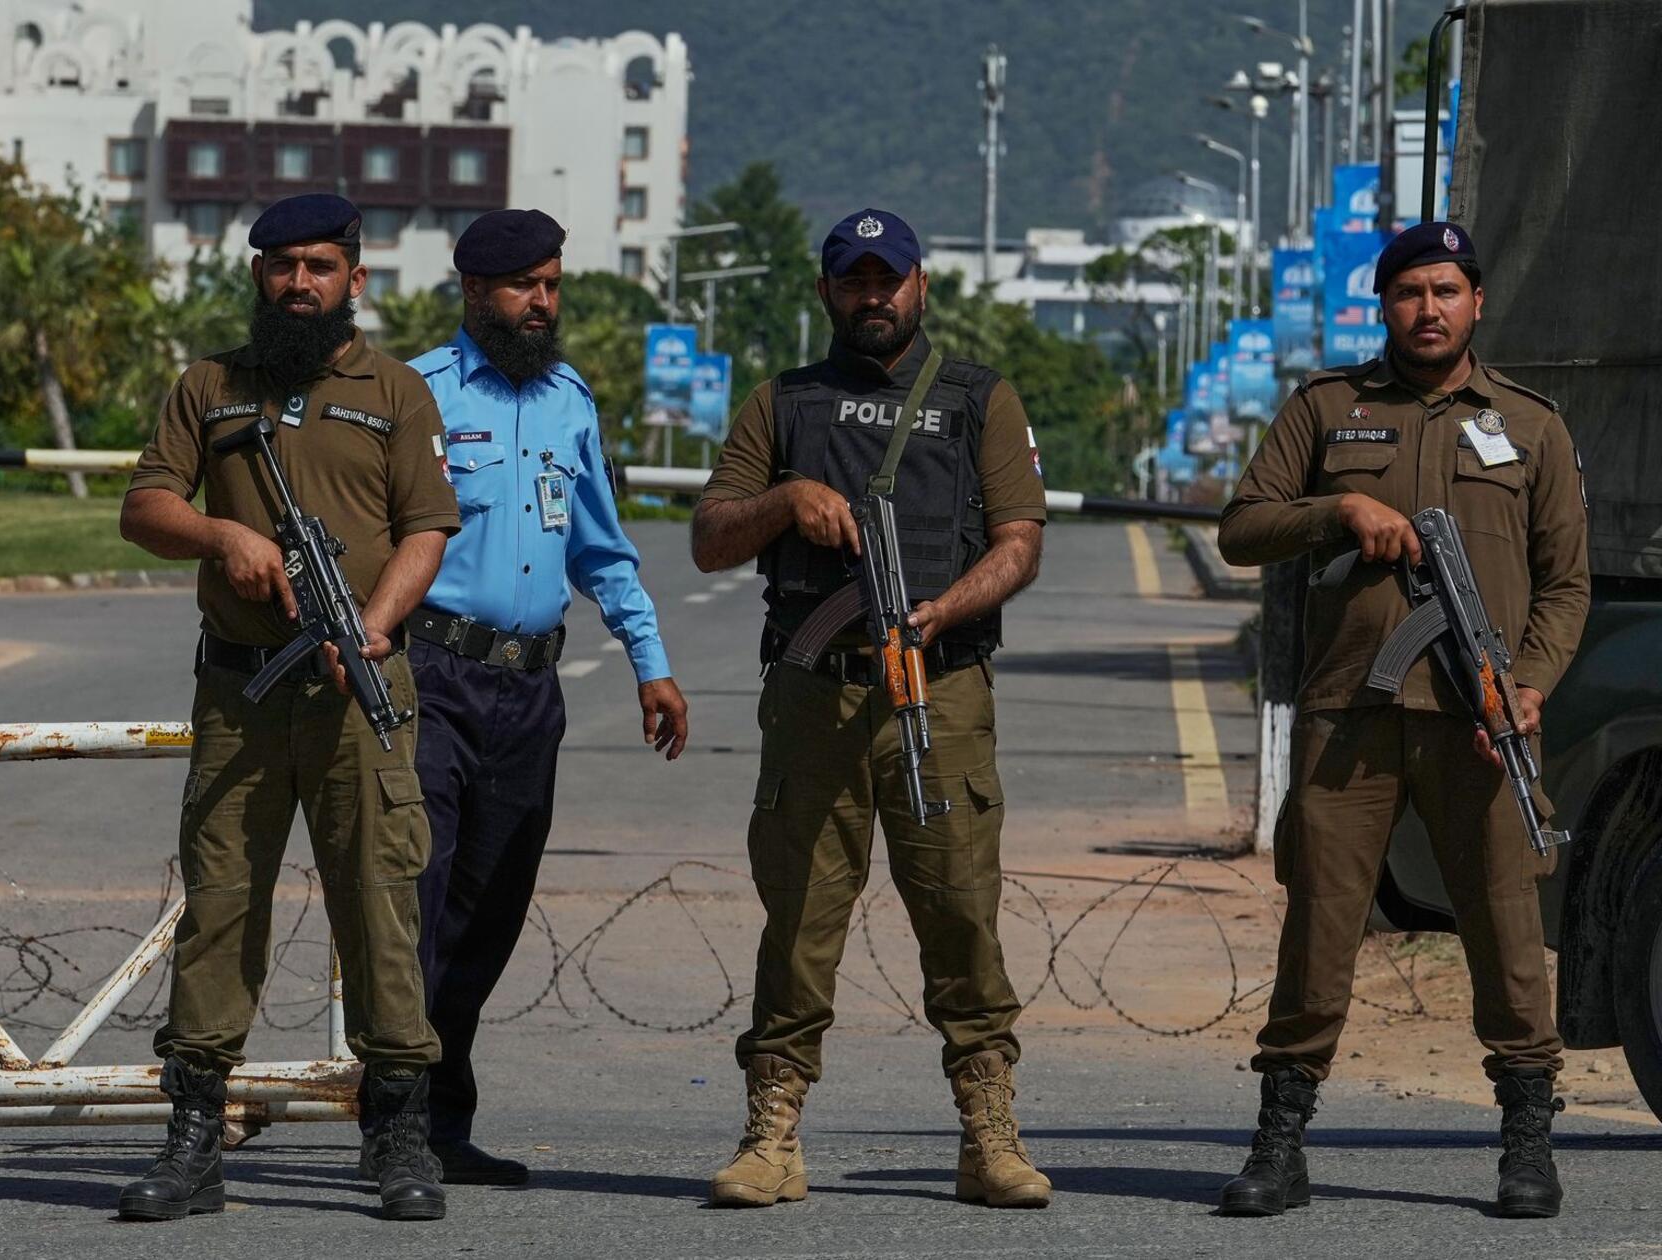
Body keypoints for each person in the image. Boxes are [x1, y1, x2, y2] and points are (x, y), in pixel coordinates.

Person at [1214, 221, 1588, 1219]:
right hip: (1351, 714)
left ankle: (1524, 1144)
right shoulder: (1327, 409)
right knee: (1320, 930)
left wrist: (1530, 683)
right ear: (1380, 305)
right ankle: (1279, 1140)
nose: (1427, 309)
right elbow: (1241, 527)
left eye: (1445, 291)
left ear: (1474, 303)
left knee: (1507, 933)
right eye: (1408, 292)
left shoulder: (1529, 425)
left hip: (1480, 717)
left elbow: (1563, 586)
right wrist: (1334, 513)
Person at [690, 208, 1051, 1210]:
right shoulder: (783, 405)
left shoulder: (977, 398)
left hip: (939, 689)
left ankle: (988, 1130)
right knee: (800, 919)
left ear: (920, 285)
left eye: (888, 278)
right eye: (853, 279)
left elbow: (1017, 541)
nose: (872, 295)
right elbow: (710, 537)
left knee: (959, 916)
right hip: (815, 693)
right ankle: (771, 1130)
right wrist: (785, 501)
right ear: (825, 291)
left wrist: (942, 612)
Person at [116, 193, 460, 1223]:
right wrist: (223, 539)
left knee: (378, 903)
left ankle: (396, 1132)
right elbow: (145, 506)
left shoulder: (396, 393)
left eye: (318, 265)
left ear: (356, 278)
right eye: (280, 265)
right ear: (257, 275)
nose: (297, 282)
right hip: (241, 688)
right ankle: (193, 1137)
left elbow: (426, 529)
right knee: (220, 905)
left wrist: (374, 626)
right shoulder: (209, 385)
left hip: (358, 684)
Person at [387, 209, 689, 1184]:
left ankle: (441, 1123)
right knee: (420, 903)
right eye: (525, 287)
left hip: (529, 690)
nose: (542, 305)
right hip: (431, 677)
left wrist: (649, 659)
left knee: (488, 908)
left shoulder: (568, 400)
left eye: (553, 285)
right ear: (475, 292)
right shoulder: (417, 395)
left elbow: (600, 546)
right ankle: (393, 1119)